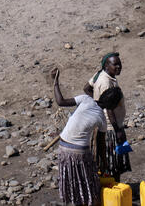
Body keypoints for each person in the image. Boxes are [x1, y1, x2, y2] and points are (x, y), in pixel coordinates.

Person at [51, 67, 115, 206]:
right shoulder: (102, 119)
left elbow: (60, 102)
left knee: (74, 181)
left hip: (63, 147)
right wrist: (104, 163)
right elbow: (101, 146)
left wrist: (55, 82)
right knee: (90, 183)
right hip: (79, 152)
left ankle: (77, 200)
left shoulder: (85, 99)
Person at [84, 53, 130, 180]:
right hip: (111, 128)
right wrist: (118, 130)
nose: (118, 67)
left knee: (107, 162)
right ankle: (114, 187)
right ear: (106, 66)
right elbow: (110, 109)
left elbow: (87, 88)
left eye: (119, 64)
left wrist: (97, 102)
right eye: (115, 64)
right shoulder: (106, 82)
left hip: (103, 124)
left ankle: (108, 185)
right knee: (114, 164)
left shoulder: (100, 74)